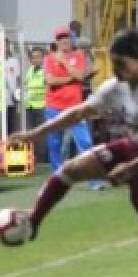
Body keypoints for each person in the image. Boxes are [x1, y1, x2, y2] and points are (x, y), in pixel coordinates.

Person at [8, 30, 138, 277]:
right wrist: (36, 133)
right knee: (70, 169)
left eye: (120, 64)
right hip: (131, 150)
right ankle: (34, 220)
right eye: (113, 64)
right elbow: (79, 112)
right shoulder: (115, 87)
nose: (115, 70)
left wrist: (131, 168)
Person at [43, 27, 93, 171]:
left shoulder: (79, 56)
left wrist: (64, 62)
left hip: (75, 107)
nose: (64, 40)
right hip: (54, 107)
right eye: (61, 37)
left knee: (85, 142)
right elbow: (51, 81)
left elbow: (80, 76)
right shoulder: (48, 59)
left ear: (71, 39)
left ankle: (93, 178)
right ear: (56, 41)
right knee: (54, 143)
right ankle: (57, 174)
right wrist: (71, 78)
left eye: (66, 37)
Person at [23, 47, 47, 153]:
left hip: (42, 106)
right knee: (31, 133)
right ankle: (33, 157)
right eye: (33, 57)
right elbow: (25, 85)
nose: (35, 59)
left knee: (42, 134)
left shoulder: (46, 71)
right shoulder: (29, 71)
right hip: (29, 106)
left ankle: (42, 159)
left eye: (38, 57)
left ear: (43, 58)